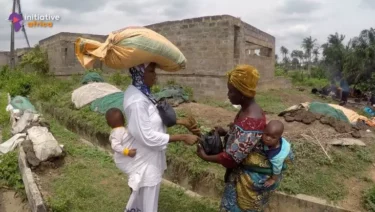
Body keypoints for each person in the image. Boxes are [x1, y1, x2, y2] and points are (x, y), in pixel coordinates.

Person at [196, 65, 279, 212]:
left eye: (231, 91)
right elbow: (246, 139)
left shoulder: (251, 120)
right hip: (241, 176)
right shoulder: (249, 110)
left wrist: (205, 157)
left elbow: (230, 159)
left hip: (245, 184)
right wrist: (227, 132)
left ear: (242, 93)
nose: (228, 94)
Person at [123, 62, 199, 212]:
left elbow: (151, 120)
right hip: (145, 161)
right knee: (146, 205)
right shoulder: (137, 101)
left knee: (141, 203)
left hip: (148, 158)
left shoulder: (142, 92)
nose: (155, 74)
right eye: (151, 70)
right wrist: (182, 137)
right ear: (139, 72)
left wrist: (179, 121)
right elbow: (147, 136)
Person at [262, 120, 293, 188]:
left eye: (273, 137)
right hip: (284, 144)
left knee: (282, 165)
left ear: (278, 138)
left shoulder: (276, 156)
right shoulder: (271, 141)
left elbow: (277, 169)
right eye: (266, 134)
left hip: (286, 151)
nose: (267, 138)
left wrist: (273, 179)